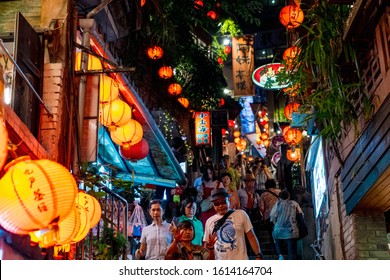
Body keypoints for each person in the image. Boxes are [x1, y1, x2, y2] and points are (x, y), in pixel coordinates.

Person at [203, 188, 264, 260]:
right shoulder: (209, 221)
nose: (220, 206)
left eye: (223, 202)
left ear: (228, 200)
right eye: (216, 204)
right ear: (213, 205)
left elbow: (251, 236)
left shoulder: (241, 214)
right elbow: (207, 245)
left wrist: (258, 254)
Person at [270, 190, 303, 260]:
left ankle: (280, 255)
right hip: (291, 231)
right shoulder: (294, 204)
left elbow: (272, 216)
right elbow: (301, 215)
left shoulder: (277, 204)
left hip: (278, 230)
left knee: (276, 238)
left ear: (279, 197)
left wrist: (277, 224)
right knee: (291, 250)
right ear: (289, 196)